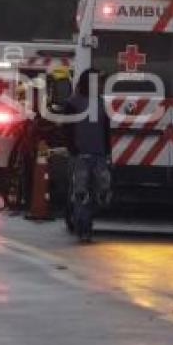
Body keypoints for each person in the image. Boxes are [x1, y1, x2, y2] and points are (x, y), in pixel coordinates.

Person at [65, 69, 111, 243]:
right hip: (80, 157)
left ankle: (87, 221)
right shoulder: (73, 103)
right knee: (81, 193)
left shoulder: (99, 102)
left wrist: (107, 152)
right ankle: (83, 227)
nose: (100, 85)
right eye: (98, 82)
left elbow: (105, 128)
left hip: (99, 155)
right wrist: (73, 150)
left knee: (101, 191)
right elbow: (67, 129)